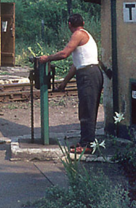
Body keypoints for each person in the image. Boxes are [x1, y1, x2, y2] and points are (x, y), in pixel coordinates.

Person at [35, 13, 103, 154]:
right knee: (86, 109)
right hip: (89, 72)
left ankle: (87, 145)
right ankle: (85, 140)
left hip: (88, 74)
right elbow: (76, 65)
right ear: (83, 22)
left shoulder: (78, 34)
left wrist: (47, 58)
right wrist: (64, 83)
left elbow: (64, 54)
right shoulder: (84, 35)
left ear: (69, 25)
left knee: (87, 110)